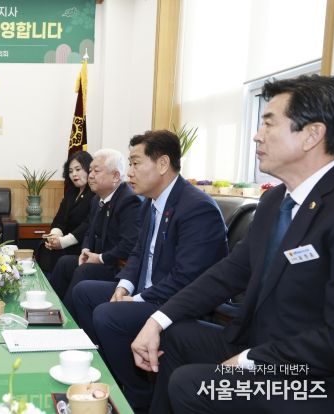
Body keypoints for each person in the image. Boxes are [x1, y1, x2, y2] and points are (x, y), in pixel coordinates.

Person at [131, 75, 334, 414]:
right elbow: (228, 273)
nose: (257, 135)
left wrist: (251, 360)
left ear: (312, 134)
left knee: (191, 385)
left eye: (269, 124)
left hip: (315, 376)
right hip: (255, 342)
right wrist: (159, 318)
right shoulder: (275, 201)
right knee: (173, 337)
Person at [72, 130, 228, 413]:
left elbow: (187, 277)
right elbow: (137, 254)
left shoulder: (197, 208)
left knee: (108, 314)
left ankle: (139, 392)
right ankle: (111, 371)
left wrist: (137, 300)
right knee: (84, 293)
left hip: (175, 302)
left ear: (163, 164)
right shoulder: (151, 203)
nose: (129, 172)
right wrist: (124, 287)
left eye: (135, 163)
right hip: (148, 292)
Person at [48, 149, 141, 315]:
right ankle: (51, 309)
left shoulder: (128, 200)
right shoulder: (97, 198)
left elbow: (128, 245)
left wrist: (99, 258)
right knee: (64, 263)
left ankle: (68, 320)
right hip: (98, 258)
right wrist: (85, 249)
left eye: (96, 171)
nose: (90, 175)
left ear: (115, 176)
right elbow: (89, 230)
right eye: (90, 170)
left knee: (84, 270)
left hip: (117, 266)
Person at [35, 150, 94, 274]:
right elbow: (59, 219)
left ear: (89, 169)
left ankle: (50, 284)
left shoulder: (94, 193)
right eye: (70, 171)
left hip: (79, 244)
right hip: (63, 241)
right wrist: (54, 236)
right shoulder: (71, 192)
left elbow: (87, 225)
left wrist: (62, 242)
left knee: (54, 254)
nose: (74, 174)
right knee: (44, 245)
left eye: (78, 169)